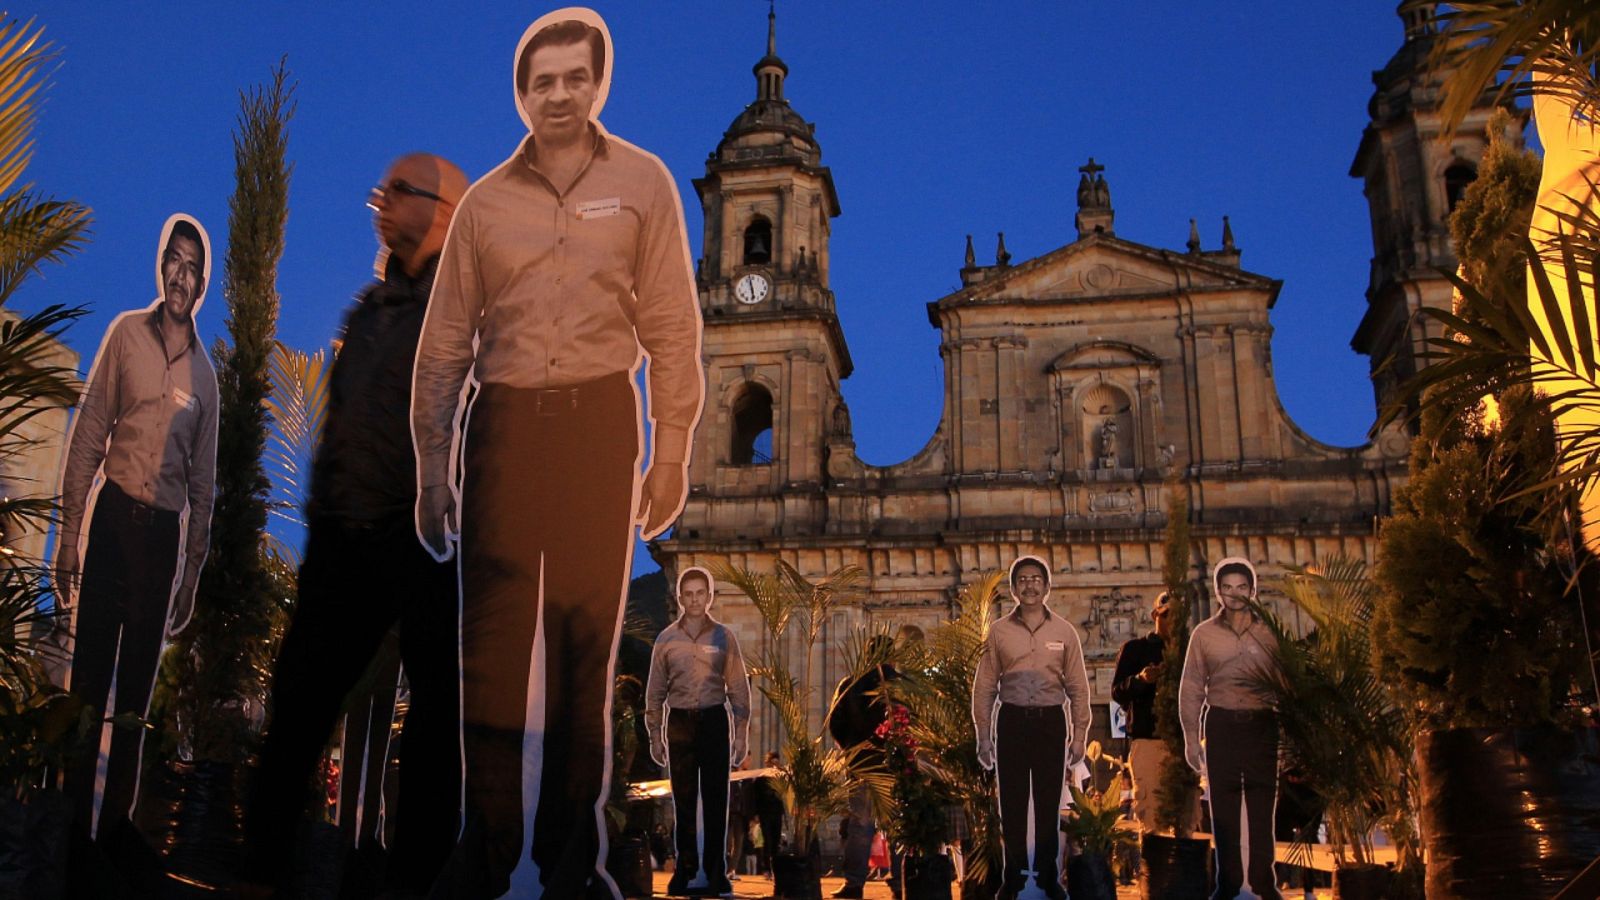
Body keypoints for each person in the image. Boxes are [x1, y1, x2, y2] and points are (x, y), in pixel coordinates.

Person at [409, 10, 703, 896]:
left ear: (599, 83)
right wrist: (431, 466)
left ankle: (573, 861)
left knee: (583, 648)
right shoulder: (486, 206)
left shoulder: (645, 185)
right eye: (544, 82)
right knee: (490, 652)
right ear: (522, 93)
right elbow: (445, 344)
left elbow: (672, 329)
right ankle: (487, 850)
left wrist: (673, 447)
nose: (561, 94)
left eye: (577, 77)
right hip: (499, 431)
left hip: (598, 427)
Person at [244, 153, 469, 895]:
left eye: (397, 190)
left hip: (431, 544)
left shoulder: (469, 311)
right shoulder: (371, 309)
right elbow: (343, 421)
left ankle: (414, 882)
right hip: (347, 537)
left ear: (440, 210)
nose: (380, 199)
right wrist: (324, 517)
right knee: (299, 703)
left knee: (437, 727)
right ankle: (264, 872)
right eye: (382, 188)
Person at [55, 214, 219, 841]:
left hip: (160, 541)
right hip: (112, 523)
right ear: (162, 267)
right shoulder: (125, 337)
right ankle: (71, 824)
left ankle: (117, 828)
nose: (180, 275)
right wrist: (69, 534)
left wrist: (191, 576)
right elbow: (88, 434)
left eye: (192, 268)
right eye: (173, 261)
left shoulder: (205, 379)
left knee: (135, 699)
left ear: (202, 285)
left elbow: (203, 488)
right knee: (89, 679)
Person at [972, 556, 1091, 900]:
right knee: (1011, 803)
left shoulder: (1064, 632)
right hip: (1010, 721)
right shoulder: (999, 632)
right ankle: (1013, 878)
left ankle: (1046, 875)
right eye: (1022, 579)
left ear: (1047, 586)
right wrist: (983, 735)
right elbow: (985, 686)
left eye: (1036, 578)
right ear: (1013, 588)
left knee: (1047, 803)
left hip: (1051, 722)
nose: (1030, 585)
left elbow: (1079, 688)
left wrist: (1080, 733)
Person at [1179, 557, 1284, 900]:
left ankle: (1263, 883)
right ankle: (1227, 884)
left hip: (1261, 723)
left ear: (1252, 590)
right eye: (1227, 588)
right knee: (1222, 807)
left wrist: (1292, 737)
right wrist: (1191, 739)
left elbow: (1287, 684)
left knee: (1261, 804)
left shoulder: (1270, 632)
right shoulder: (1204, 635)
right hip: (1221, 721)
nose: (1235, 594)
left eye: (1242, 587)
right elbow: (1192, 687)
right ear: (1219, 592)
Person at [645, 567, 751, 897]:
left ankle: (716, 871)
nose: (694, 600)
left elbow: (737, 687)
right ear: (680, 598)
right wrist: (654, 734)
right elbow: (655, 692)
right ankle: (686, 871)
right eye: (687, 594)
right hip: (678, 723)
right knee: (684, 800)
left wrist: (742, 734)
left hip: (714, 722)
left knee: (717, 800)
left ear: (709, 597)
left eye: (699, 593)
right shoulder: (666, 639)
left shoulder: (724, 637)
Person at [826, 635, 897, 899]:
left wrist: (852, 748)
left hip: (861, 766)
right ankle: (902, 882)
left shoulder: (850, 684)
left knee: (860, 826)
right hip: (895, 766)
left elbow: (835, 722)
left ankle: (854, 884)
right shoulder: (902, 684)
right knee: (897, 826)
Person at [1111, 592, 1174, 833]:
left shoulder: (1189, 650)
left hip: (1181, 743)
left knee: (1187, 816)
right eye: (1167, 614)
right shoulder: (1135, 649)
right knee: (1151, 817)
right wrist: (1141, 680)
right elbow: (1117, 692)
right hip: (1148, 741)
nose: (1172, 620)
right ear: (1155, 615)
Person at [752, 751, 785, 874]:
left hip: (777, 811)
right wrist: (755, 813)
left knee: (776, 839)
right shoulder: (761, 778)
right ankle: (766, 867)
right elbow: (755, 796)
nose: (774, 765)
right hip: (765, 812)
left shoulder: (780, 777)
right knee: (767, 840)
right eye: (772, 762)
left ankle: (775, 866)